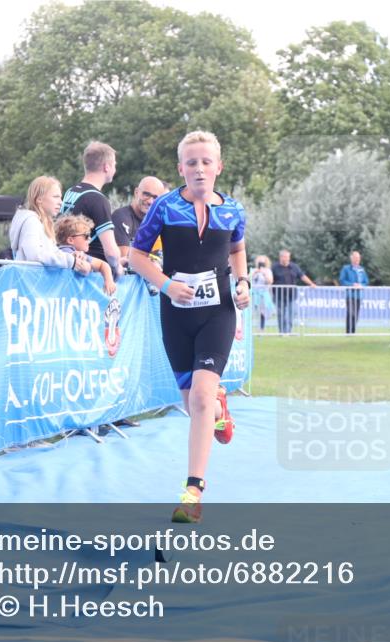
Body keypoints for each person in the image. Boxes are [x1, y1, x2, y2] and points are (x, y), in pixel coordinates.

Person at [128, 130, 250, 524]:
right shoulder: (163, 207)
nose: (199, 168)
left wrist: (243, 281)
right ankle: (219, 408)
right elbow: (136, 256)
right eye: (191, 162)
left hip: (218, 313)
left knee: (198, 396)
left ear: (219, 166)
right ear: (181, 168)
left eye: (206, 161)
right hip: (176, 315)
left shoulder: (233, 210)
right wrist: (165, 284)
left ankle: (193, 491)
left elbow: (237, 248)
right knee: (194, 404)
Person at [60, 141, 122, 276]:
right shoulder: (97, 199)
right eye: (114, 165)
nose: (115, 169)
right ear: (106, 167)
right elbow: (111, 252)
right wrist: (118, 267)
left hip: (71, 265)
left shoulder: (71, 191)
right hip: (93, 273)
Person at [9, 176, 91, 277]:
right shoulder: (31, 222)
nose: (60, 202)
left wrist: (71, 256)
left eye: (60, 197)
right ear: (39, 199)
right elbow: (35, 255)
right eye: (56, 197)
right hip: (28, 286)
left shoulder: (41, 223)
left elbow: (51, 252)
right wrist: (71, 261)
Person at [55, 214, 117, 295]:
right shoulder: (65, 251)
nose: (89, 238)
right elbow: (85, 270)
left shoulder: (80, 253)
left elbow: (102, 264)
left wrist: (109, 280)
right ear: (70, 240)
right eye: (86, 236)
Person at [111, 176, 167, 262]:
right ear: (136, 192)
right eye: (146, 194)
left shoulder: (160, 222)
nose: (150, 201)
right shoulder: (121, 217)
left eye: (155, 198)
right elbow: (124, 258)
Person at [271, 249, 316, 334]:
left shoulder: (294, 267)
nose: (287, 259)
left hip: (292, 296)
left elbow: (302, 276)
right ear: (280, 257)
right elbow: (270, 279)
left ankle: (288, 331)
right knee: (281, 315)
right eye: (285, 257)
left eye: (288, 257)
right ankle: (282, 332)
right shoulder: (274, 267)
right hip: (279, 296)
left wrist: (311, 283)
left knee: (291, 314)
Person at [338, 250, 369, 334]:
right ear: (351, 258)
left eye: (358, 258)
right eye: (355, 257)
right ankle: (348, 332)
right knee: (351, 313)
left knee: (356, 315)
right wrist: (352, 284)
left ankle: (353, 332)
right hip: (350, 295)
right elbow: (342, 280)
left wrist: (361, 285)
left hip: (359, 295)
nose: (357, 259)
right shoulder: (346, 268)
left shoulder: (362, 269)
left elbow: (366, 282)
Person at [250, 254, 274, 331]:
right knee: (251, 311)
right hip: (253, 293)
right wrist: (254, 273)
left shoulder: (268, 271)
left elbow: (270, 281)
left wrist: (264, 273)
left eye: (263, 262)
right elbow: (246, 279)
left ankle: (261, 328)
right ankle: (249, 328)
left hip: (263, 294)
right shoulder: (253, 270)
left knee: (262, 311)